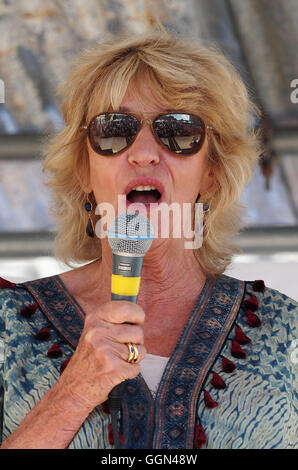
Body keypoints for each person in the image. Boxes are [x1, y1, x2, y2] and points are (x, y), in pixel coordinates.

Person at [0, 28, 297, 450]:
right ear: (84, 170)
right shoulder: (7, 325)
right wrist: (75, 390)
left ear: (212, 171)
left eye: (178, 130)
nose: (143, 153)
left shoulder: (285, 330)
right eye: (114, 130)